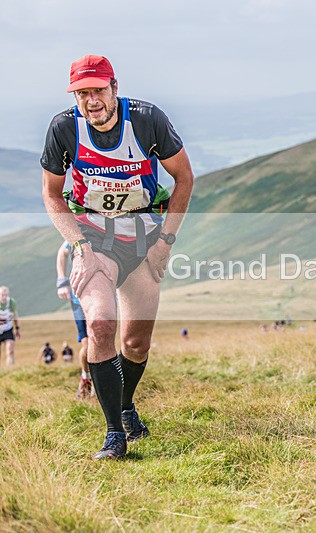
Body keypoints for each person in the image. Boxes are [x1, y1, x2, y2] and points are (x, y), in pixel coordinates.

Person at [41, 54, 194, 459]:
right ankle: (115, 434)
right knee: (102, 325)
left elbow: (184, 178)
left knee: (136, 342)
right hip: (94, 238)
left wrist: (166, 241)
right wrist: (79, 247)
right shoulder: (63, 128)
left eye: (97, 90)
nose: (91, 100)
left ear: (114, 87)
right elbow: (52, 195)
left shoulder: (147, 120)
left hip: (143, 238)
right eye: (82, 93)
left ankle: (125, 405)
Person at [56, 241, 93, 398]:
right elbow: (61, 254)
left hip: (104, 297)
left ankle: (101, 385)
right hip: (78, 299)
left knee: (102, 340)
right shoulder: (80, 230)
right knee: (87, 344)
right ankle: (86, 378)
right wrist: (62, 282)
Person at [0, 286, 20, 366]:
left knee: (10, 350)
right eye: (2, 295)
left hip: (7, 329)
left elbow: (15, 315)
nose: (4, 297)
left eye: (6, 295)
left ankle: (10, 369)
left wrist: (17, 328)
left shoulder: (11, 302)